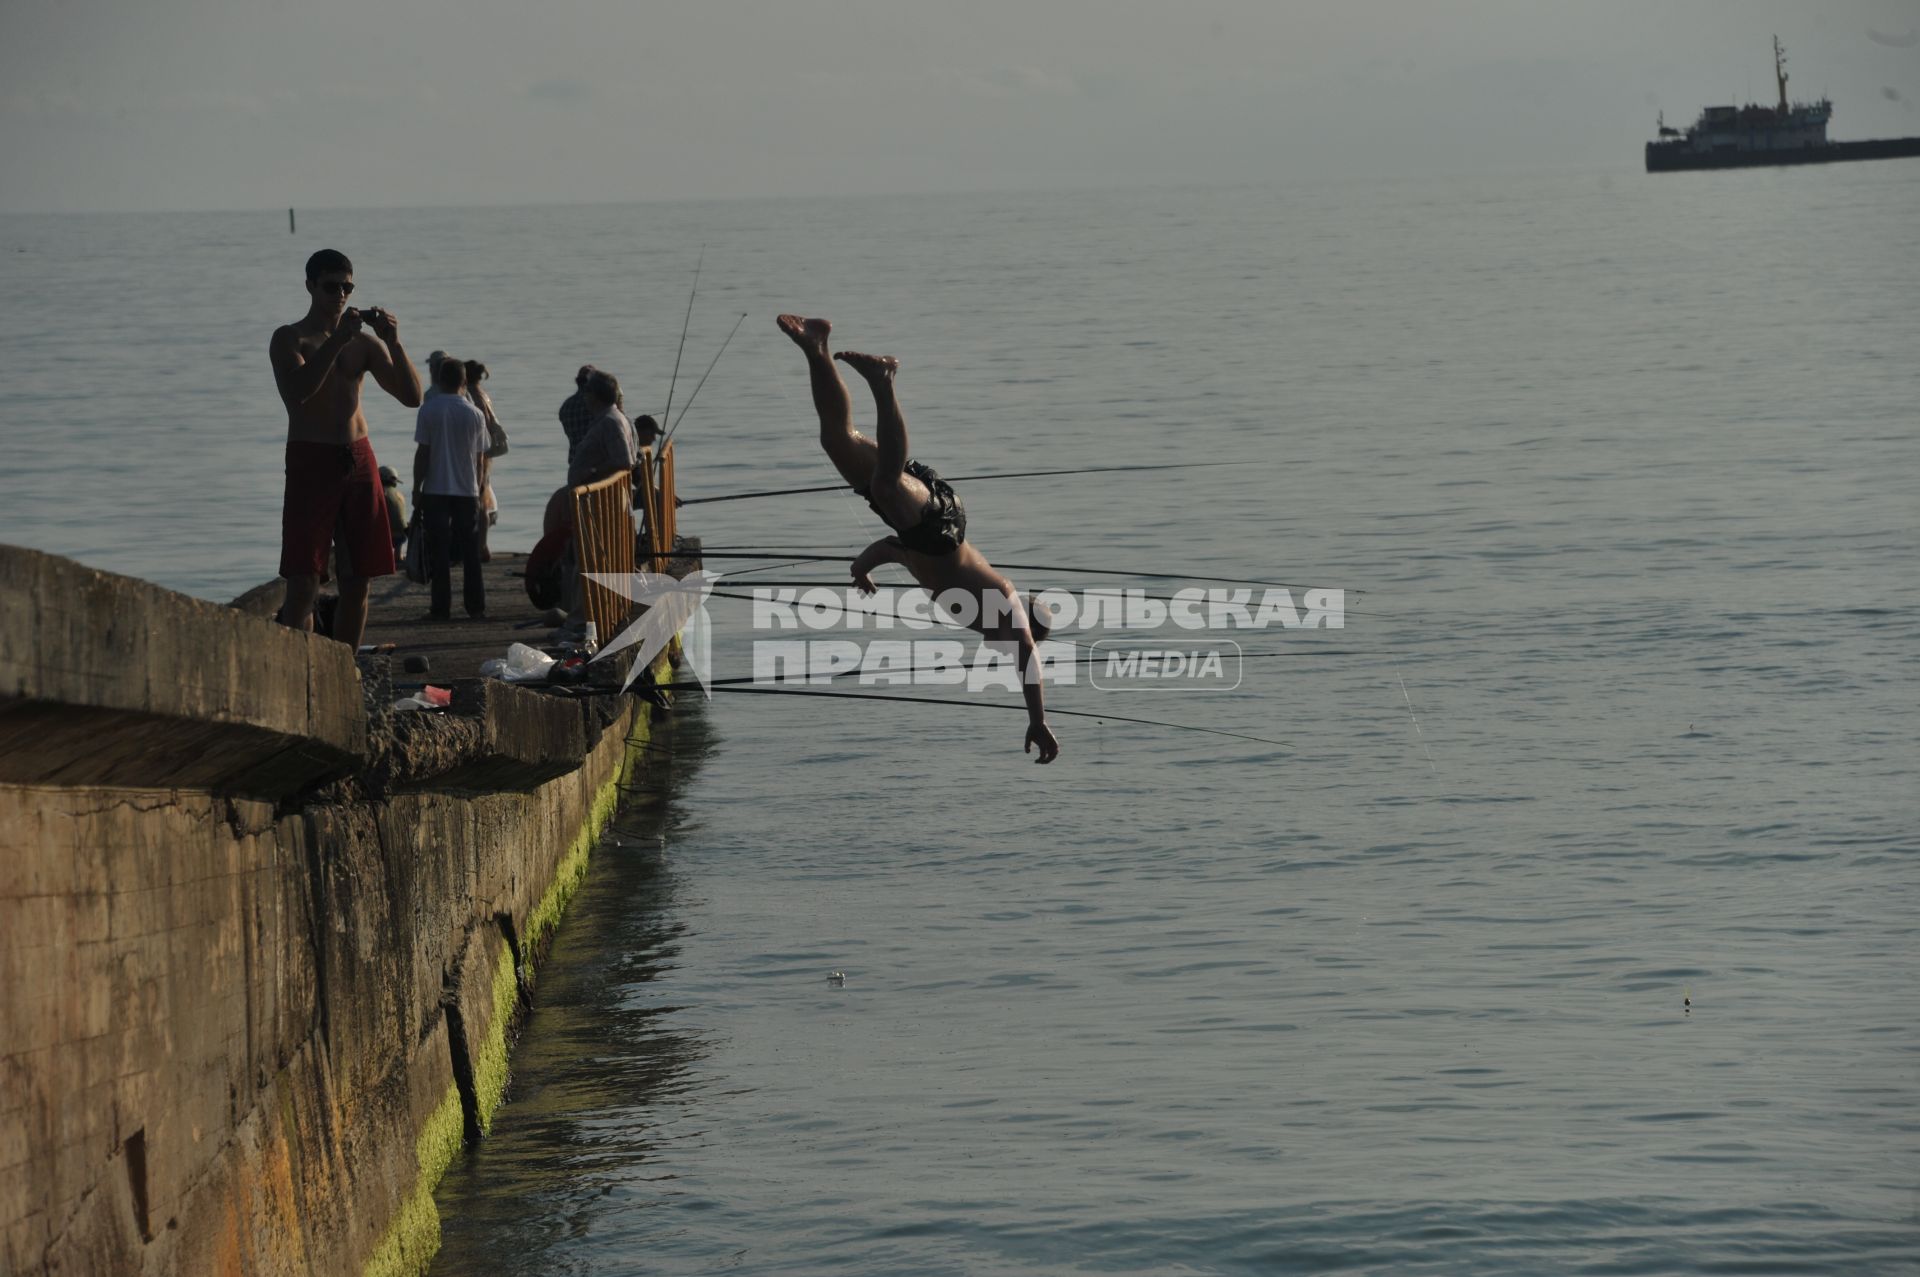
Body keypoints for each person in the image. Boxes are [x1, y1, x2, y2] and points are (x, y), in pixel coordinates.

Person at [776, 314, 1059, 763]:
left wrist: (861, 568)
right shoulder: (1004, 605)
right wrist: (1037, 718)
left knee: (838, 439)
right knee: (886, 486)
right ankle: (884, 380)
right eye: (1025, 636)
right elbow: (1026, 653)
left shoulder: (970, 606)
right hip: (939, 525)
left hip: (919, 531)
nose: (1011, 644)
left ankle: (816, 348)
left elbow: (894, 550)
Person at [270, 248, 423, 648]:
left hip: (358, 457)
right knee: (304, 581)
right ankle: (295, 671)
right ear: (310, 286)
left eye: (347, 287)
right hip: (310, 457)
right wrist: (337, 340)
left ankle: (345, 669)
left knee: (358, 580)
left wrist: (394, 341)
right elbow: (298, 392)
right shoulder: (290, 338)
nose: (340, 295)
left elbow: (412, 397)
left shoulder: (366, 345)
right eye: (331, 287)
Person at [413, 357, 489, 620]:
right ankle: (475, 607)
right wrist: (479, 489)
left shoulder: (428, 410)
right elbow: (480, 459)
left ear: (439, 380)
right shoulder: (475, 414)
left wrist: (415, 487)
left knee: (439, 551)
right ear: (464, 382)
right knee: (471, 551)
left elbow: (423, 453)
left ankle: (440, 608)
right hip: (467, 491)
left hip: (435, 489)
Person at [464, 359, 510, 562]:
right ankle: (480, 544)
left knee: (480, 498)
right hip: (483, 451)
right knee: (481, 496)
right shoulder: (481, 394)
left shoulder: (473, 396)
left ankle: (481, 546)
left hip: (479, 452)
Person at [566, 370, 639, 488]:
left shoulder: (610, 423)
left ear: (596, 395)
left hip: (600, 498)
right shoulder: (606, 419)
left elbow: (624, 462)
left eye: (586, 391)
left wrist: (592, 472)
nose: (583, 396)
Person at [558, 364, 599, 469]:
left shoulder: (566, 406)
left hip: (575, 461)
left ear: (577, 381)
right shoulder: (596, 403)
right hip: (596, 462)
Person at [378, 464, 409, 562]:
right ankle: (398, 557)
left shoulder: (380, 493)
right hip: (402, 535)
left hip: (385, 536)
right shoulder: (399, 494)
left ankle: (383, 557)